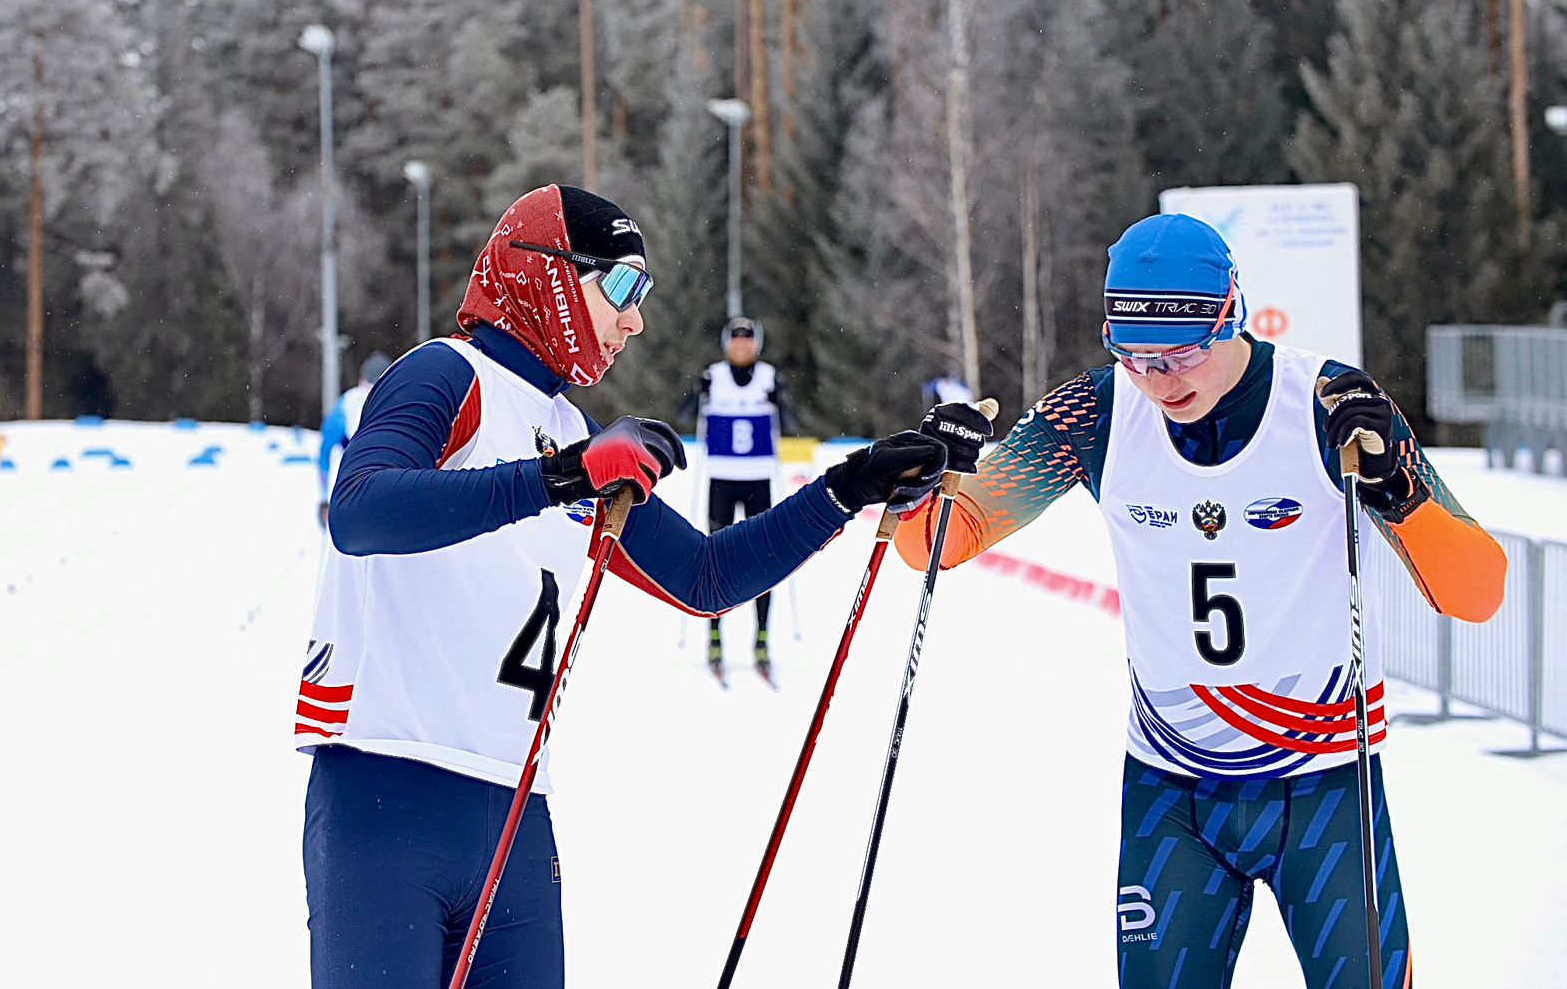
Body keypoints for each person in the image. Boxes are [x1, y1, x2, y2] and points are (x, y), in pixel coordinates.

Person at [296, 184, 954, 989]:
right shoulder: (445, 374)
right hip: (387, 789)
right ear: (546, 273)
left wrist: (849, 487)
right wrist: (562, 478)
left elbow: (704, 577)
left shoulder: (571, 431)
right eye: (620, 288)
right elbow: (361, 511)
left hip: (514, 812)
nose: (634, 320)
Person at [895, 214, 1507, 988]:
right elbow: (939, 543)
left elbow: (1478, 592)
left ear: (1232, 314)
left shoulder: (1327, 403)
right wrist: (929, 474)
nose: (1159, 379)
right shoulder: (1095, 414)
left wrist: (1400, 491)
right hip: (1172, 792)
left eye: (1182, 351)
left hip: (1322, 791)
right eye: (1136, 355)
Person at [679, 316, 799, 685]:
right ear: (727, 344)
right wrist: (696, 395)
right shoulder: (713, 375)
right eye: (736, 340)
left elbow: (793, 423)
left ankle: (761, 639)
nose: (742, 346)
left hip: (758, 479)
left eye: (748, 340)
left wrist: (781, 401)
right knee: (714, 556)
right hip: (721, 479)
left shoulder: (768, 376)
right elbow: (683, 416)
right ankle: (714, 635)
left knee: (764, 559)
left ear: (756, 344)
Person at [316, 351, 391, 527]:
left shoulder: (348, 401)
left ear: (362, 378)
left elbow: (325, 452)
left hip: (356, 483)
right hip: (392, 484)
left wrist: (323, 499)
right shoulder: (401, 397)